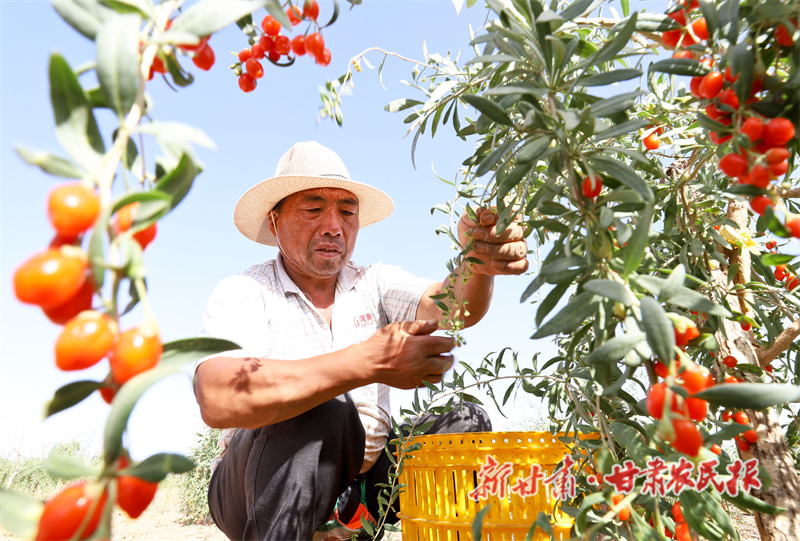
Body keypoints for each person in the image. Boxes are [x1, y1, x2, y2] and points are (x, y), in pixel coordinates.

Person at [194, 141, 528, 540]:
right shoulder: (245, 291)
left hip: (361, 485)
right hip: (250, 488)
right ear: (274, 219)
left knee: (465, 421)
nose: (334, 225)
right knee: (321, 407)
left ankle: (353, 524)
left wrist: (478, 259)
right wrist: (365, 361)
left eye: (347, 212)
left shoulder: (372, 282)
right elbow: (217, 395)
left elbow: (454, 307)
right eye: (313, 209)